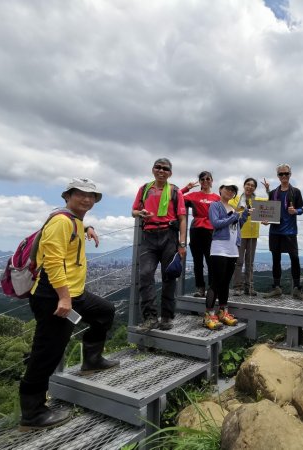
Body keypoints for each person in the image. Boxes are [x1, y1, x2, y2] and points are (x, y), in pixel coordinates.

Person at [19, 178, 119, 431]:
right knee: (47, 352)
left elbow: (70, 236)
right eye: (81, 195)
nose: (87, 200)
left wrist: (88, 228)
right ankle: (32, 413)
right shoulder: (62, 221)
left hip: (74, 294)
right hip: (53, 296)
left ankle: (92, 361)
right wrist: (64, 297)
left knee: (104, 312)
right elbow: (52, 261)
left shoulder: (73, 220)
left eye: (91, 196)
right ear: (68, 196)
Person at [132, 158, 187, 331]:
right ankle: (150, 317)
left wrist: (183, 243)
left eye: (165, 169)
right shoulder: (144, 189)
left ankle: (167, 317)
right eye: (158, 167)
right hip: (148, 235)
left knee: (169, 276)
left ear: (170, 173)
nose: (161, 171)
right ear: (153, 169)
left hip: (169, 235)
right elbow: (133, 211)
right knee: (145, 274)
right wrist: (139, 213)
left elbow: (182, 218)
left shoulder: (175, 191)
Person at [204, 179, 250, 329]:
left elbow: (237, 226)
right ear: (221, 189)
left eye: (233, 190)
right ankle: (209, 315)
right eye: (227, 189)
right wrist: (234, 216)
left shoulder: (232, 207)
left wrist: (244, 215)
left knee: (225, 283)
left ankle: (223, 312)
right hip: (219, 248)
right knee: (216, 282)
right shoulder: (215, 206)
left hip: (232, 249)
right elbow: (216, 223)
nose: (230, 192)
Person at [262, 164, 303, 299]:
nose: (284, 176)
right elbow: (270, 212)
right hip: (275, 231)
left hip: (290, 231)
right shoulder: (273, 193)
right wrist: (266, 221)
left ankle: (297, 289)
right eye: (281, 174)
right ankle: (277, 288)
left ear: (290, 174)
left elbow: (301, 209)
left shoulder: (296, 192)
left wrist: (296, 211)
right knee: (275, 259)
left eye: (286, 173)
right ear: (278, 176)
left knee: (295, 259)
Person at [181, 171, 220, 298]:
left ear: (212, 181)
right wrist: (187, 188)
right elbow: (176, 196)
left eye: (207, 179)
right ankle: (200, 288)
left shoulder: (217, 198)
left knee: (211, 261)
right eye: (202, 179)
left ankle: (212, 288)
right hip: (196, 229)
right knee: (197, 261)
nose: (205, 181)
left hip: (211, 230)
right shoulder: (193, 195)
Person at [230, 177, 267, 296]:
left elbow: (271, 203)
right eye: (248, 184)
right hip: (239, 234)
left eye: (252, 185)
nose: (250, 187)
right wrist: (241, 209)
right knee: (238, 261)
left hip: (253, 234)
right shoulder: (235, 199)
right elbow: (230, 209)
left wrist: (268, 189)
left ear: (255, 188)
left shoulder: (258, 200)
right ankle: (237, 287)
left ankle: (249, 287)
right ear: (244, 185)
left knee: (250, 262)